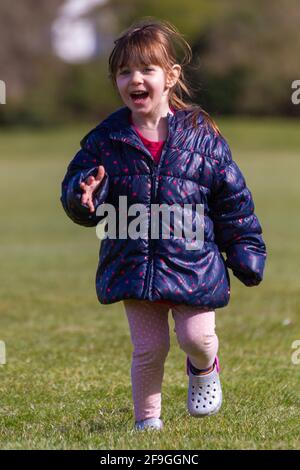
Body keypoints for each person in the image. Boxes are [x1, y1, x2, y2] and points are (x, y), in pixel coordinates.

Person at [60, 18, 267, 431]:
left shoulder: (201, 137)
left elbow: (233, 200)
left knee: (197, 338)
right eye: (124, 72)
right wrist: (84, 196)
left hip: (193, 261)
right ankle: (146, 423)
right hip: (133, 261)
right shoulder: (106, 139)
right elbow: (78, 186)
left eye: (145, 69)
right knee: (148, 348)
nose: (134, 79)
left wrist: (245, 248)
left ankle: (204, 366)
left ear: (170, 77)